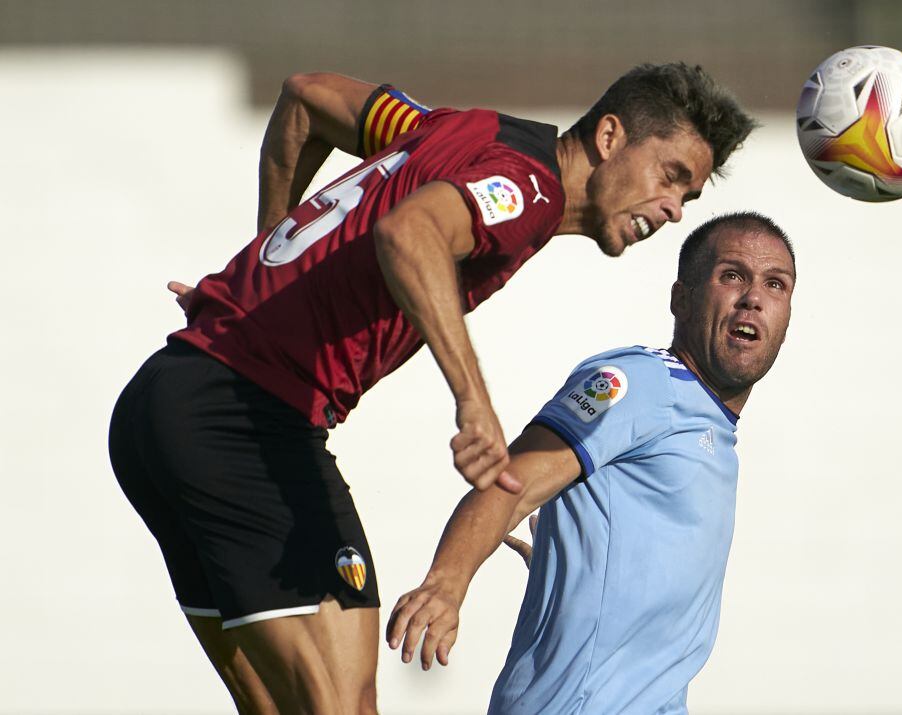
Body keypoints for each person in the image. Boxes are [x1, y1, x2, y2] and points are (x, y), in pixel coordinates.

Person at [109, 64, 754, 714]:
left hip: (163, 400)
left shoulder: (454, 128)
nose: (673, 208)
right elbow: (410, 230)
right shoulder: (529, 188)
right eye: (670, 175)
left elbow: (306, 98)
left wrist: (259, 276)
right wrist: (472, 398)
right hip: (247, 417)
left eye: (688, 197)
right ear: (610, 136)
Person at [386, 212, 795, 714]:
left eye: (775, 284)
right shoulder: (641, 382)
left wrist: (583, 576)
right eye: (732, 275)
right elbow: (513, 482)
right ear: (681, 299)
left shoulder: (713, 427)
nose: (753, 296)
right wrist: (446, 585)